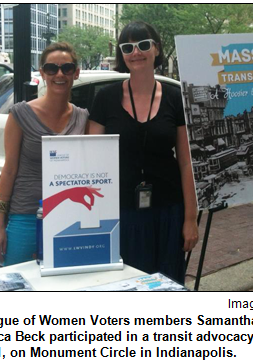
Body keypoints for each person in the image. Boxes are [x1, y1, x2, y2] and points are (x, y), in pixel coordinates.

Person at [88, 21, 198, 283]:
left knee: (167, 284)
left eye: (144, 44)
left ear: (156, 49)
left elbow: (185, 162)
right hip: (120, 213)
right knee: (125, 287)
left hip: (168, 211)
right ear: (121, 55)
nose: (136, 52)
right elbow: (93, 161)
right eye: (128, 47)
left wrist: (190, 219)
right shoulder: (105, 97)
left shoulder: (175, 97)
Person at [0, 42, 89, 266]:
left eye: (66, 68)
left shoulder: (83, 118)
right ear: (43, 73)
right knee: (18, 285)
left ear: (76, 73)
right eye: (52, 68)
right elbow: (9, 171)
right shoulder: (20, 114)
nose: (59, 74)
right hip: (26, 215)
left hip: (68, 217)